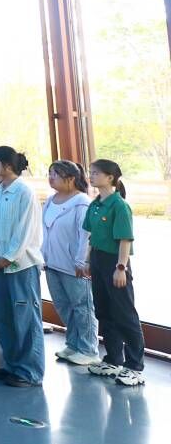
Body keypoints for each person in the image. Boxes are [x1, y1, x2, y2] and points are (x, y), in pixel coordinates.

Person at [0, 146, 45, 388]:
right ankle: (12, 364)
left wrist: (8, 257)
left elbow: (24, 231)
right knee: (3, 317)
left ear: (7, 165)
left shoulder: (24, 192)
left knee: (25, 318)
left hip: (20, 266)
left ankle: (30, 372)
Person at [84, 159, 145, 386]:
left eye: (95, 173)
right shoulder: (95, 204)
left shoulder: (119, 205)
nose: (91, 176)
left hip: (115, 261)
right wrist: (87, 260)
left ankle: (135, 366)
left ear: (110, 177)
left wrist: (121, 268)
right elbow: (91, 235)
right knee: (104, 310)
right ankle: (113, 359)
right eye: (90, 172)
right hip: (98, 259)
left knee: (124, 313)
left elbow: (125, 239)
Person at [42, 160, 99, 366]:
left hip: (74, 266)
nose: (51, 178)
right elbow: (45, 231)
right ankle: (73, 344)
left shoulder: (81, 202)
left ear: (71, 178)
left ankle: (88, 349)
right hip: (52, 263)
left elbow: (85, 235)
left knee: (82, 306)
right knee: (64, 306)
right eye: (49, 173)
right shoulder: (50, 200)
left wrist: (81, 260)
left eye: (55, 174)